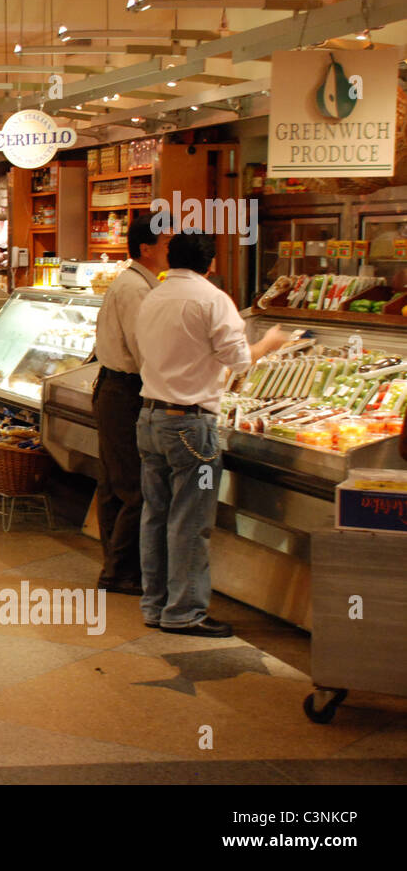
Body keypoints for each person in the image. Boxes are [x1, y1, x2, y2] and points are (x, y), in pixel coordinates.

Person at [134, 230, 287, 637]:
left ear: (170, 259)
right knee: (190, 520)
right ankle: (184, 613)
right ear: (211, 263)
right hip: (189, 426)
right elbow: (238, 361)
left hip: (149, 420)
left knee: (155, 516)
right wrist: (270, 343)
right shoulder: (212, 299)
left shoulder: (154, 296)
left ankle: (156, 605)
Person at [92, 213, 170, 596]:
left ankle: (115, 563)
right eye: (167, 243)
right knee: (134, 487)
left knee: (113, 485)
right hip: (125, 392)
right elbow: (146, 351)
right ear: (147, 248)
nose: (171, 249)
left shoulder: (131, 282)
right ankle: (121, 572)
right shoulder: (137, 289)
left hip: (113, 388)